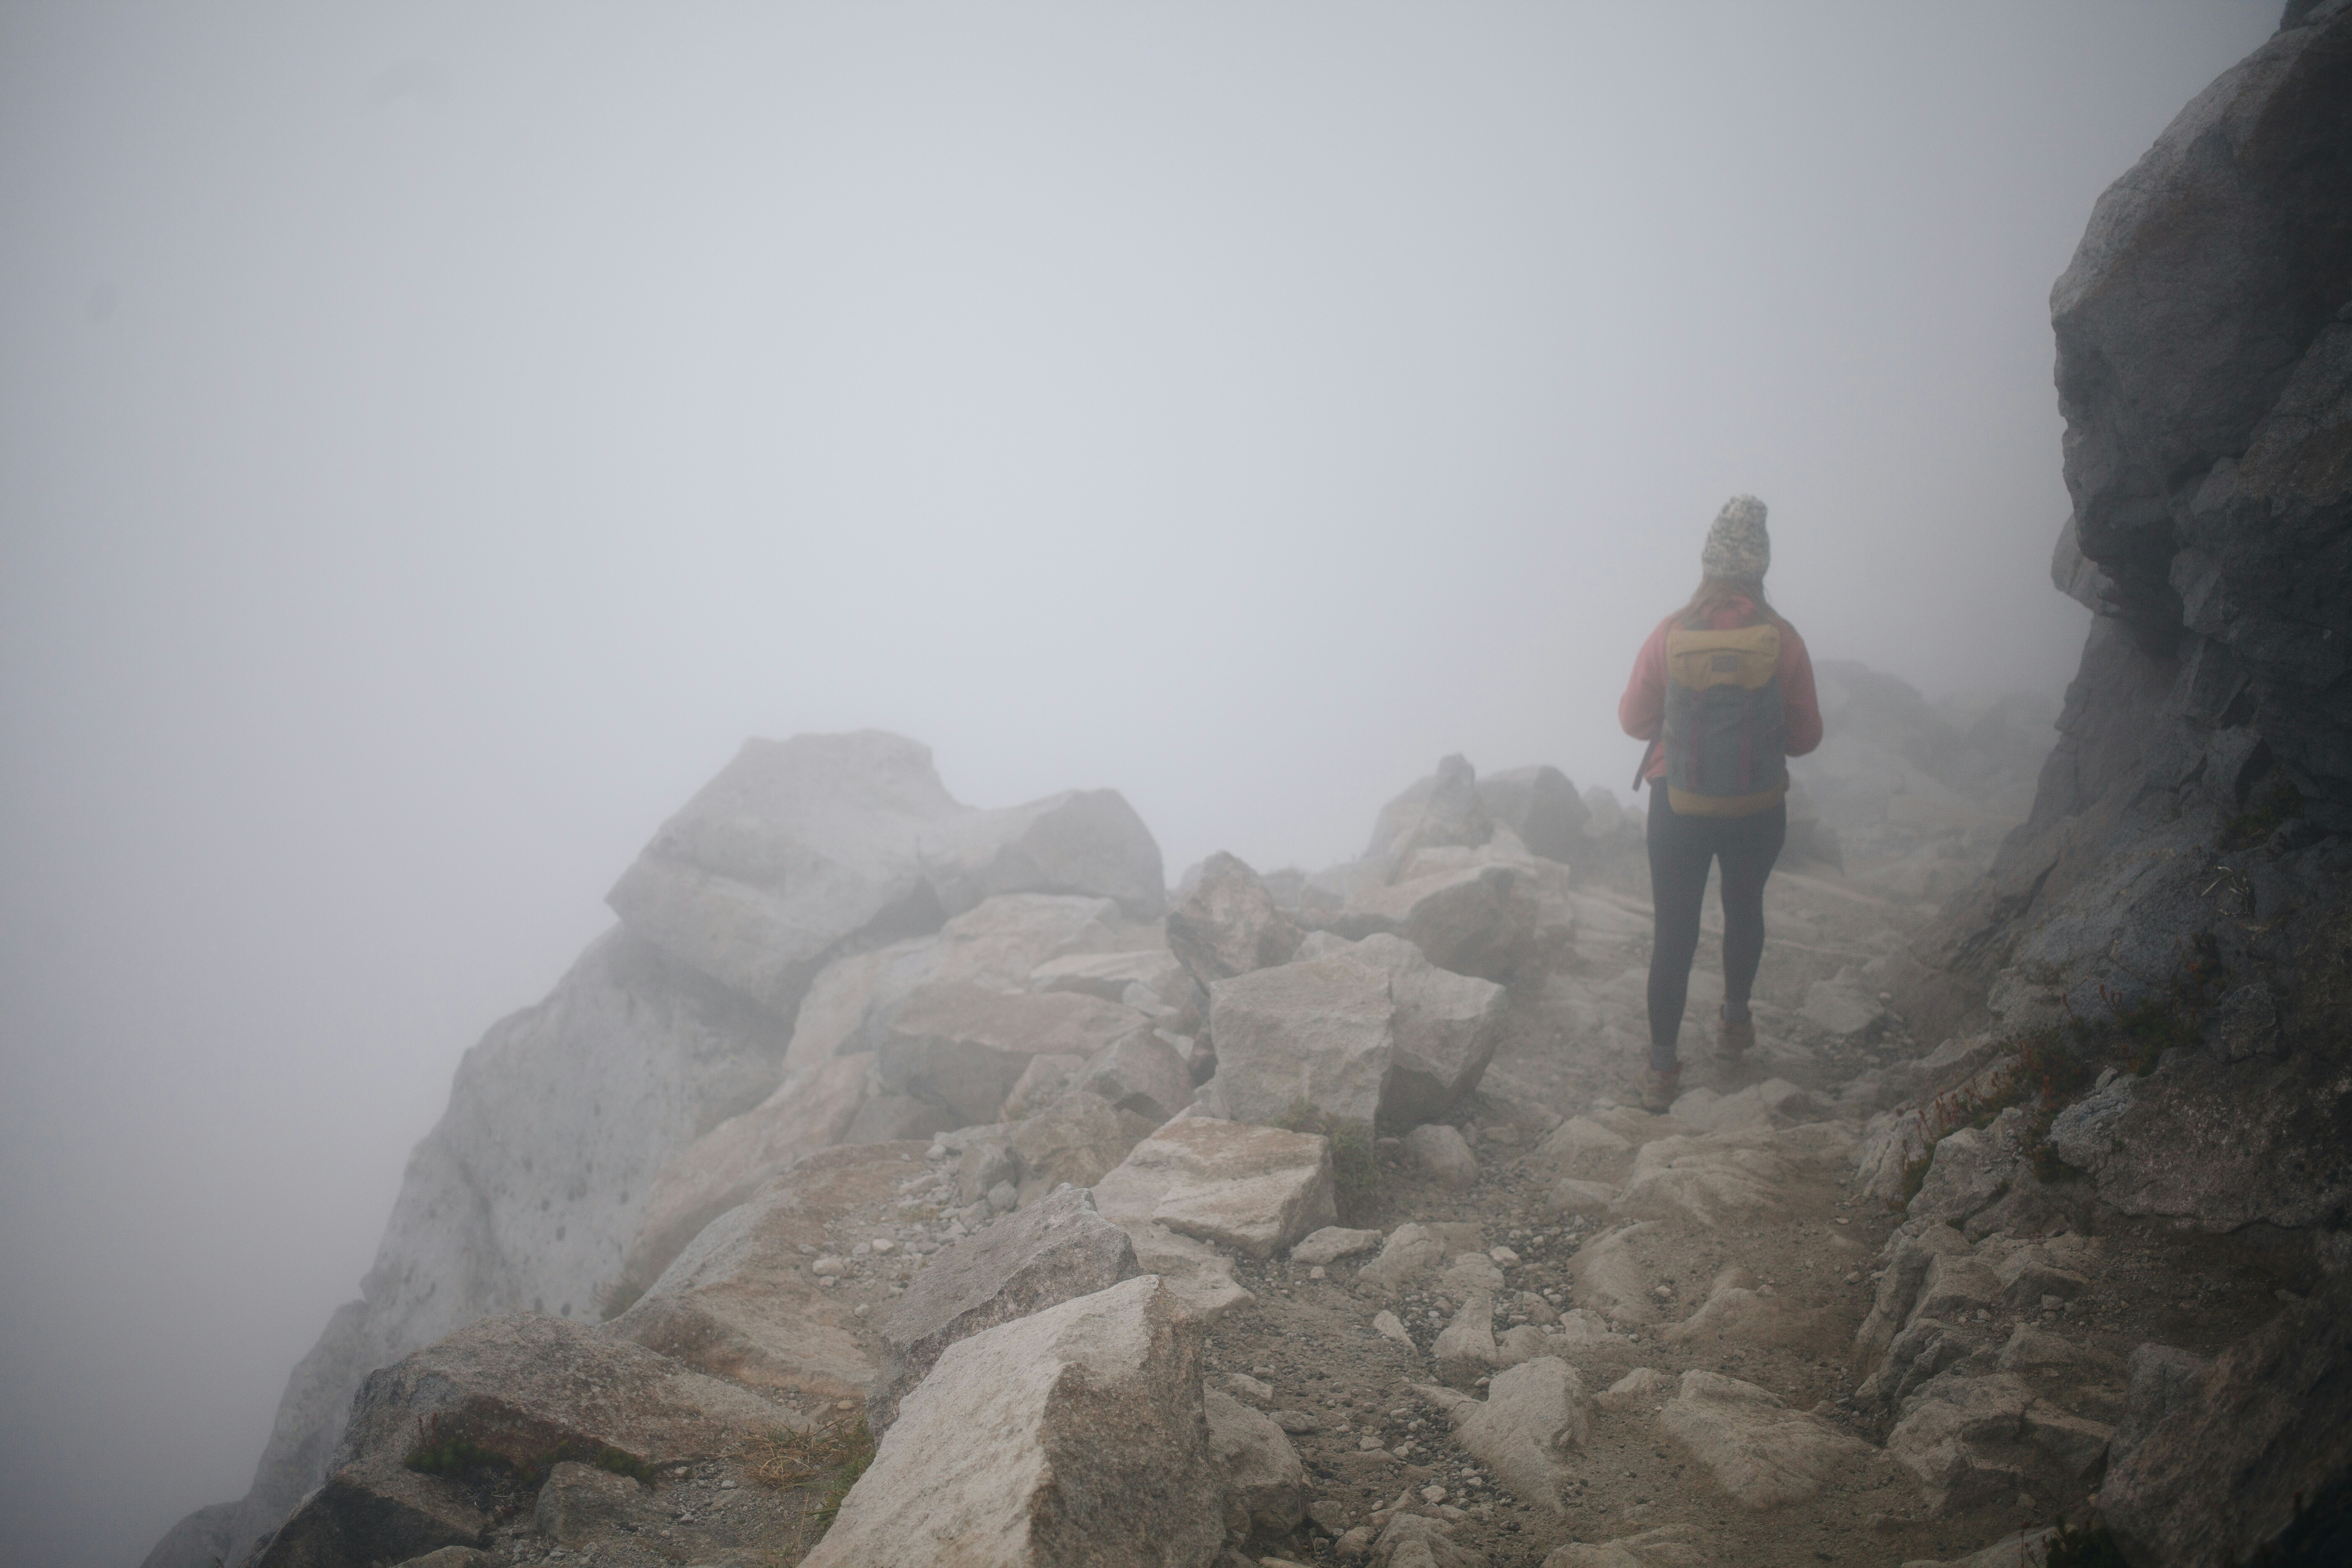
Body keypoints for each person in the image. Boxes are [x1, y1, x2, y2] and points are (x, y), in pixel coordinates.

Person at [1617, 495, 1823, 1113]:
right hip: (1756, 806)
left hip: (1676, 805)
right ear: (1761, 570)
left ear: (1707, 565)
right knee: (1744, 909)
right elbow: (1807, 738)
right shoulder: (1782, 640)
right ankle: (1734, 1026)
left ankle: (1660, 1070)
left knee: (1674, 932)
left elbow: (1632, 720)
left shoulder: (1671, 634)